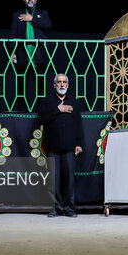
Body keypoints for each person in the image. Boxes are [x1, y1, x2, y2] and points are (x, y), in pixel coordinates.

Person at [37, 73, 83, 217]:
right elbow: (41, 119)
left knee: (69, 179)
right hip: (52, 147)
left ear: (68, 85)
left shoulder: (74, 102)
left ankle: (69, 208)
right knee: (54, 180)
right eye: (59, 82)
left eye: (64, 82)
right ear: (54, 85)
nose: (62, 85)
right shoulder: (46, 102)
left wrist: (79, 144)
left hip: (70, 147)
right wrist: (58, 110)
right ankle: (56, 208)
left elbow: (78, 124)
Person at [10, 0, 52, 111]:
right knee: (21, 86)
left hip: (38, 56)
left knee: (40, 86)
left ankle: (40, 111)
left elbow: (48, 25)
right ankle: (22, 112)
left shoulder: (43, 14)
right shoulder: (17, 15)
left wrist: (32, 19)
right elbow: (13, 35)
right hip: (23, 55)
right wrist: (13, 51)